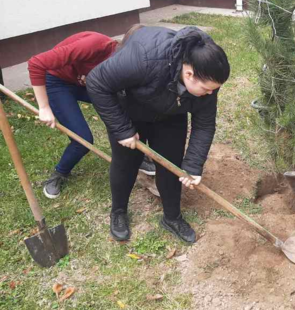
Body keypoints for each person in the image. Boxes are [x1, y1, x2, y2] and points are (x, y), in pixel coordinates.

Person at [86, 26, 230, 244]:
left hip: (171, 113)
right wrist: (122, 129)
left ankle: (172, 217)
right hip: (130, 110)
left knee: (171, 165)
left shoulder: (208, 78)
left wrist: (192, 166)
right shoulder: (144, 59)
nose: (210, 93)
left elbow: (205, 124)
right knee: (126, 163)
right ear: (189, 74)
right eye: (207, 89)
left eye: (214, 89)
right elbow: (96, 82)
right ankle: (118, 212)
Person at [27, 27, 155, 199]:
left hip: (85, 84)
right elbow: (36, 63)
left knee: (124, 109)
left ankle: (136, 158)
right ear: (124, 48)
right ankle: (59, 173)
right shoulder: (93, 45)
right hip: (57, 83)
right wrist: (44, 107)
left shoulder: (125, 64)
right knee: (83, 140)